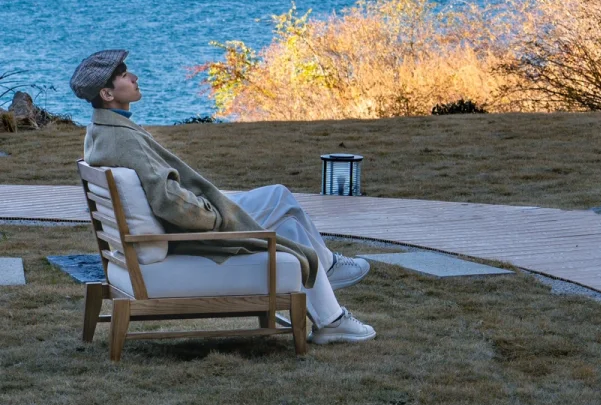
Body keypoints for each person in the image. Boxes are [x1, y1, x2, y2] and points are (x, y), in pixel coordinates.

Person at [71, 48, 375, 345]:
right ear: (108, 94)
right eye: (124, 75)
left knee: (288, 222)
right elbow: (168, 200)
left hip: (173, 229)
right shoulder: (123, 139)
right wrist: (214, 218)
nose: (135, 77)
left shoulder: (100, 131)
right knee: (281, 198)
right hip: (192, 230)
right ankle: (330, 275)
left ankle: (331, 314)